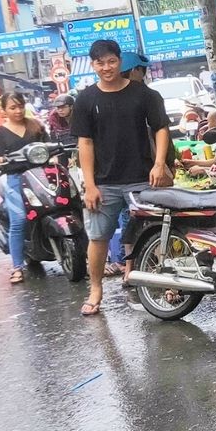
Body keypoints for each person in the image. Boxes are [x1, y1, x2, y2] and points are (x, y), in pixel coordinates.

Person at [71, 39, 173, 316]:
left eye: (111, 61)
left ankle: (160, 282)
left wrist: (159, 164)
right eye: (100, 63)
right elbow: (86, 144)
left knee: (153, 233)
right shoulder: (85, 99)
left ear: (120, 61)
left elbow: (161, 129)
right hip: (104, 184)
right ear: (93, 66)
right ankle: (96, 289)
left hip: (143, 179)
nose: (106, 67)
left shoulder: (144, 95)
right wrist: (89, 184)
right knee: (98, 238)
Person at [0, 93, 47, 284]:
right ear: (4, 110)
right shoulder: (0, 132)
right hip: (15, 178)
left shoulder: (36, 125)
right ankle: (17, 267)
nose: (17, 111)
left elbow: (48, 146)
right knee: (19, 221)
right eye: (12, 108)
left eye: (20, 106)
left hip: (41, 176)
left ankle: (86, 258)